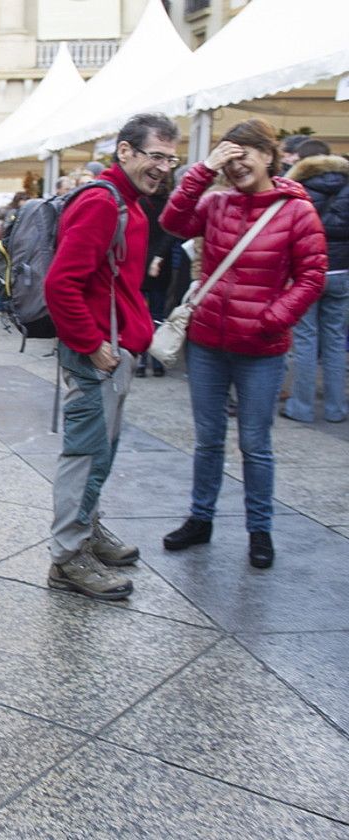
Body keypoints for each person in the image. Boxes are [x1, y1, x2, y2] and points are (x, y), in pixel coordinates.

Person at [160, 119, 327, 569]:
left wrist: (272, 318)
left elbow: (312, 276)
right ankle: (201, 518)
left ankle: (260, 529)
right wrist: (202, 172)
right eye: (228, 160)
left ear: (269, 156)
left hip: (262, 348)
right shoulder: (216, 203)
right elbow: (173, 221)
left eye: (244, 156)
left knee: (255, 443)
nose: (236, 168)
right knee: (208, 440)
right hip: (208, 342)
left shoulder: (296, 210)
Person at [44, 113, 180, 601]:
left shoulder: (129, 203)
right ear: (125, 151)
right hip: (96, 352)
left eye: (170, 157)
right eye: (154, 155)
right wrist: (91, 344)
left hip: (114, 348)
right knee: (84, 454)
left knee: (101, 452)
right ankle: (67, 556)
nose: (162, 166)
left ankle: (87, 528)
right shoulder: (104, 203)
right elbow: (61, 283)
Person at [284, 142, 348, 423]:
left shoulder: (298, 188)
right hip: (343, 272)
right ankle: (336, 409)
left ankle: (302, 406)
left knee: (306, 340)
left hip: (308, 272)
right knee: (335, 341)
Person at [136, 173, 177, 377]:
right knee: (158, 314)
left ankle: (143, 361)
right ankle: (157, 361)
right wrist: (160, 256)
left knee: (142, 313)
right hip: (161, 264)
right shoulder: (170, 203)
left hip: (141, 262)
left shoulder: (139, 201)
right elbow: (171, 233)